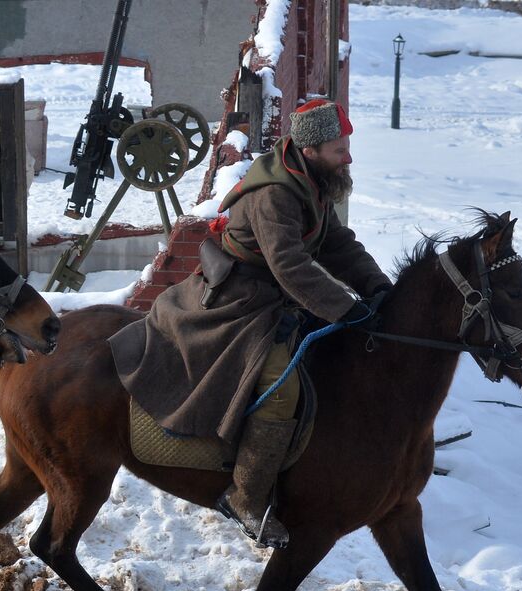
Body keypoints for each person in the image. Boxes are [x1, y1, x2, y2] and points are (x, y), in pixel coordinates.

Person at [112, 99, 391, 548]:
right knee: (281, 389)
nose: (349, 157)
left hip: (274, 292)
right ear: (312, 150)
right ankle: (245, 497)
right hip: (239, 300)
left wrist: (378, 289)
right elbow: (290, 265)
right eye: (340, 149)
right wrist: (347, 309)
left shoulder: (312, 180)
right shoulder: (276, 194)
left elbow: (337, 244)